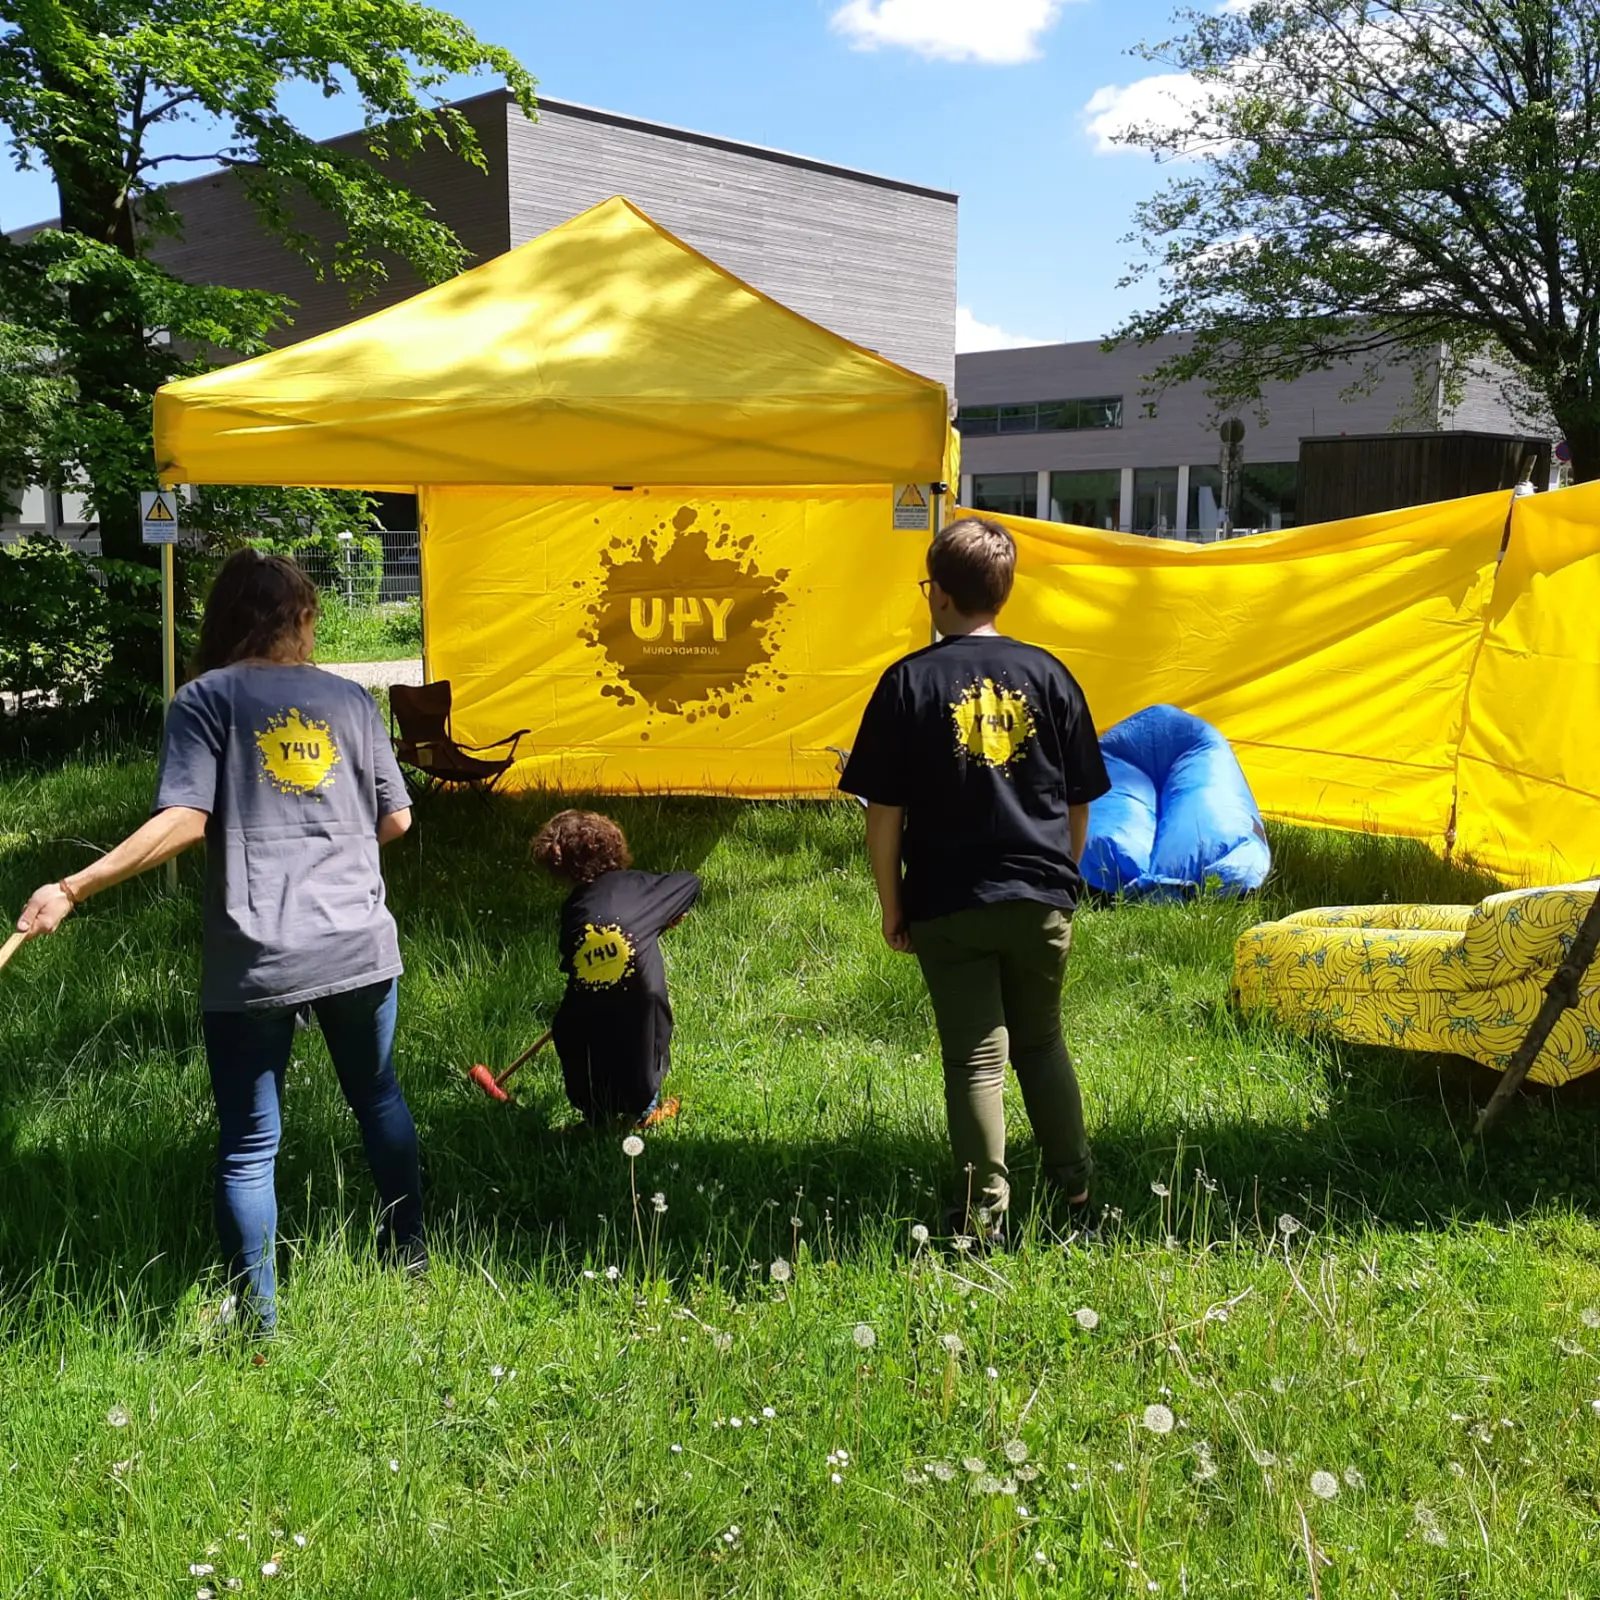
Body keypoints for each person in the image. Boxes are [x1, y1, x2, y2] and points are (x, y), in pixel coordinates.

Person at [14, 550, 424, 1333]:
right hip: (359, 943)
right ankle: (412, 1258)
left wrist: (72, 887)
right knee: (378, 1099)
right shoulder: (350, 700)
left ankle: (258, 1327)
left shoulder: (203, 699)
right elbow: (397, 820)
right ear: (298, 617)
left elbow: (183, 820)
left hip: (258, 953)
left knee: (249, 1145)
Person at [839, 516, 1111, 1243]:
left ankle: (983, 1218)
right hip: (1041, 893)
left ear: (938, 594)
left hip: (948, 899)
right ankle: (1076, 1192)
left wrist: (892, 905)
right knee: (1042, 1044)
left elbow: (884, 815)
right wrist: (1062, 879)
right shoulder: (1050, 674)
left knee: (974, 1059)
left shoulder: (906, 682)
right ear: (1004, 592)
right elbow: (1079, 802)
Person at [531, 810, 700, 1129]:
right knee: (642, 1025)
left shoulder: (574, 909)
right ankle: (645, 1108)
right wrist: (665, 914)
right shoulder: (642, 887)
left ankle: (597, 1115)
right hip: (641, 1011)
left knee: (573, 1028)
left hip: (586, 1013)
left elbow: (570, 960)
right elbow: (690, 882)